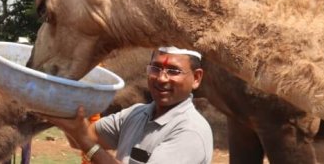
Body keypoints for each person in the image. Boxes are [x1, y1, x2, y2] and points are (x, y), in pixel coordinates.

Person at [44, 47, 213, 164]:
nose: (161, 78)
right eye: (156, 68)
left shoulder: (190, 132)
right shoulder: (136, 114)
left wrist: (84, 141)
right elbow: (86, 136)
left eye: (173, 71)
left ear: (196, 78)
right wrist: (65, 111)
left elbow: (85, 140)